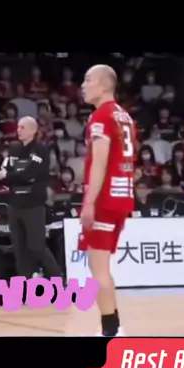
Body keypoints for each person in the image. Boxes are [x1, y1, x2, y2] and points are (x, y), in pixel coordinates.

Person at [79, 65, 135, 337]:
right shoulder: (124, 116)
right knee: (102, 267)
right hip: (122, 196)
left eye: (88, 80)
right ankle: (114, 326)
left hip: (105, 199)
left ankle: (110, 332)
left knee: (98, 269)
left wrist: (89, 202)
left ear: (103, 85)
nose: (83, 85)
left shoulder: (101, 116)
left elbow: (100, 162)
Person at [0, 116, 64, 279]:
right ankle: (24, 281)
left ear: (33, 130)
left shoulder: (41, 150)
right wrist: (13, 175)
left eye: (22, 127)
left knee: (37, 246)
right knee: (19, 248)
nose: (18, 130)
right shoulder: (14, 149)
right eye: (18, 127)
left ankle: (57, 277)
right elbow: (3, 173)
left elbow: (30, 175)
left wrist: (11, 175)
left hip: (33, 205)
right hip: (14, 205)